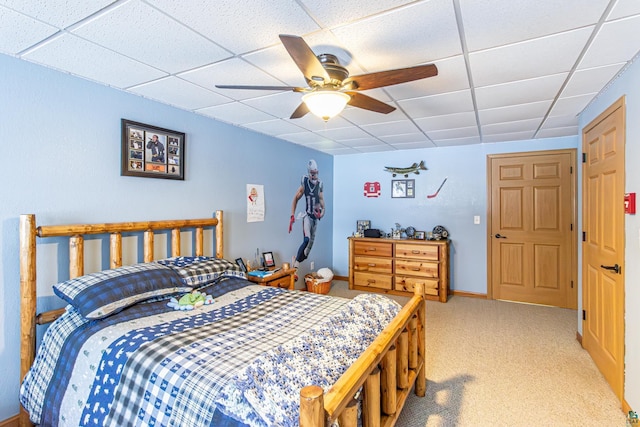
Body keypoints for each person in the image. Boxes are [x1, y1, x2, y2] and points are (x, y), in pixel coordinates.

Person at [289, 159, 325, 272]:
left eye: (316, 173)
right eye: (312, 173)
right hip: (307, 216)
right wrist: (292, 215)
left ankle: (296, 259)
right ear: (309, 172)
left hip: (315, 220)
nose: (314, 175)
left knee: (305, 254)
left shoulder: (320, 184)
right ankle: (295, 267)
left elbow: (323, 204)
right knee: (306, 239)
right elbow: (295, 198)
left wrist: (321, 213)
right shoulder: (304, 182)